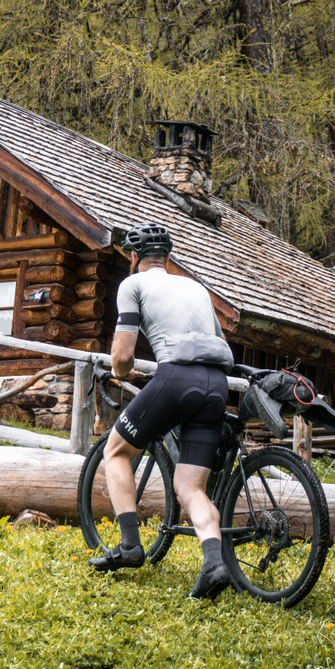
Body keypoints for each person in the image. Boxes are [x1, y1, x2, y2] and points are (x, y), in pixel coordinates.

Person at [89, 222, 235, 600]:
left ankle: (130, 546)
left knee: (116, 451)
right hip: (216, 383)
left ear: (134, 258)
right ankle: (213, 562)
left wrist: (122, 372)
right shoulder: (196, 287)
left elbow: (122, 356)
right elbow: (217, 341)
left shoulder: (132, 284)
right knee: (190, 486)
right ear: (168, 258)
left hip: (176, 379)